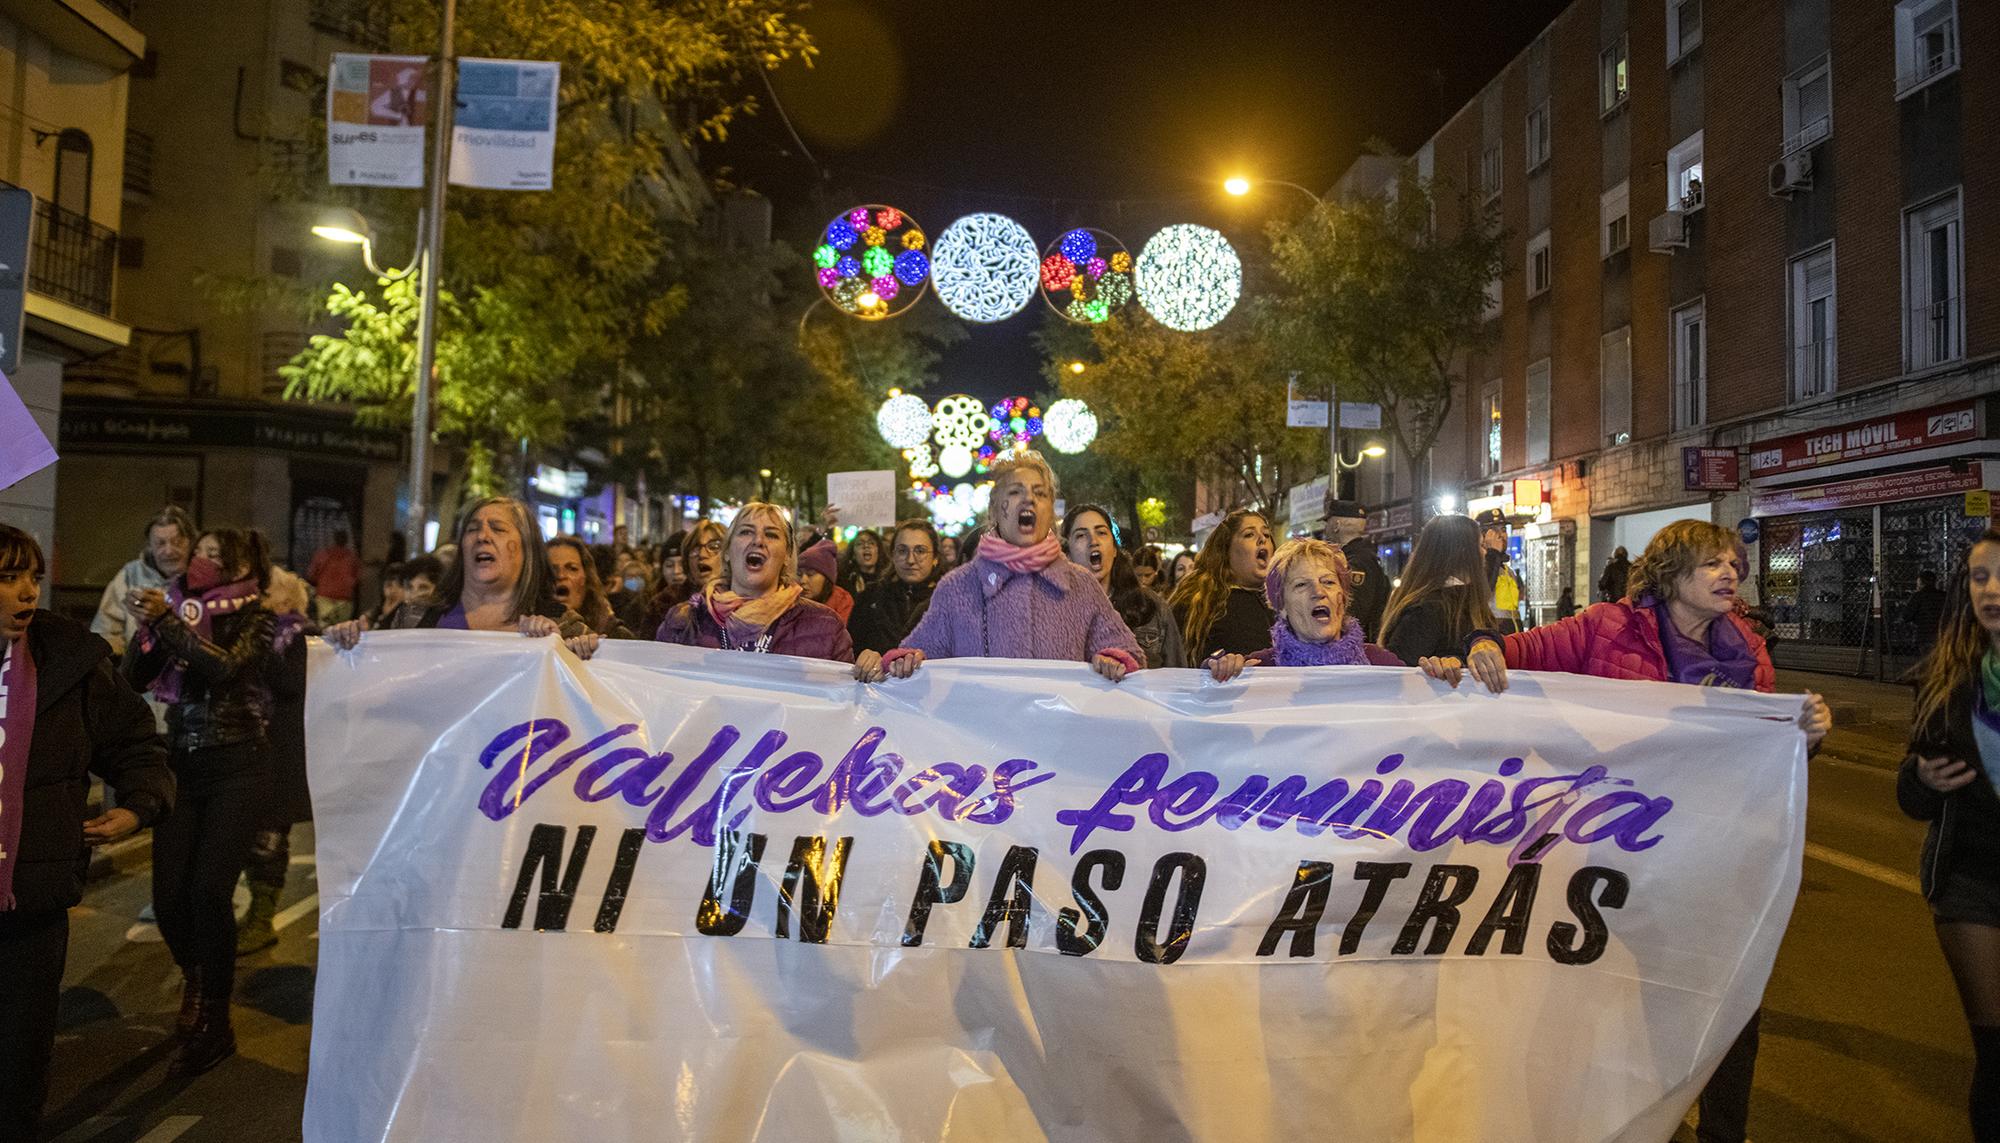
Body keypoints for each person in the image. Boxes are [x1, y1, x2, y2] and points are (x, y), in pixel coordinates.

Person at [1450, 519, 1831, 1143]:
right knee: (1619, 994)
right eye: (1712, 564)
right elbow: (1514, 650)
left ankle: (1722, 1132)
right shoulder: (1606, 627)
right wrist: (1481, 645)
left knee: (1729, 991)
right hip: (1619, 851)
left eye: (1733, 563)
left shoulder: (1749, 653)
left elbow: (1761, 757)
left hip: (1715, 850)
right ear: (1671, 573)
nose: (1730, 573)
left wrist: (1804, 739)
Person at [0, 525, 173, 1139]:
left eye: (33, 578)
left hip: (31, 897)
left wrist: (139, 804)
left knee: (17, 1066)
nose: (26, 593)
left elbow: (134, 743)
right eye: (7, 578)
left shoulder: (68, 660)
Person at [121, 526, 282, 1077]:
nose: (200, 562)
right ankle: (198, 973)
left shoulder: (259, 617)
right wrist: (148, 631)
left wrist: (169, 624)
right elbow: (132, 677)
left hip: (239, 764)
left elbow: (225, 668)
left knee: (209, 890)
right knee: (169, 896)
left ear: (240, 565)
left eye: (215, 555)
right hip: (183, 764)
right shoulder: (177, 610)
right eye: (199, 554)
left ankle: (216, 1018)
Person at [856, 453, 1140, 682]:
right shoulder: (957, 587)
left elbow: (1128, 652)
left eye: (1039, 493)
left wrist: (1114, 660)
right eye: (1015, 492)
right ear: (994, 510)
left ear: (1052, 512)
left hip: (1059, 746)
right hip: (980, 750)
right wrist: (903, 661)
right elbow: (918, 654)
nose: (1029, 499)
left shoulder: (1082, 586)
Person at [1898, 527, 2000, 1142]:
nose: (1992, 590)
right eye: (1980, 577)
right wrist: (1923, 777)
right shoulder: (1945, 679)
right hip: (1970, 884)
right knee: (1996, 1054)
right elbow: (1910, 799)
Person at [593, 502, 850, 663]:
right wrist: (590, 656)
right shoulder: (684, 622)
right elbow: (652, 689)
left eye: (771, 535)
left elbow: (847, 707)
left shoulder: (824, 627)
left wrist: (873, 670)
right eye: (746, 532)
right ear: (727, 552)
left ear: (786, 557)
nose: (757, 541)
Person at [323, 497, 585, 645]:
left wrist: (570, 652)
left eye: (497, 528)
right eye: (472, 529)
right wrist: (348, 645)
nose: (482, 536)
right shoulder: (414, 616)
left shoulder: (563, 624)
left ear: (528, 548)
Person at [235, 568, 316, 956]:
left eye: (266, 592)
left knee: (268, 841)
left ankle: (262, 919)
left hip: (281, 756)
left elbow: (291, 685)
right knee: (249, 836)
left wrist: (263, 647)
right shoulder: (261, 633)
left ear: (285, 601)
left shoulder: (300, 637)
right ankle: (254, 913)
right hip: (255, 749)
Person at [1204, 538, 1406, 679]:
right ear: (1281, 606)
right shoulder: (1259, 669)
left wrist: (1435, 679)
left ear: (1342, 599)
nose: (1318, 592)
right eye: (1301, 585)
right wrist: (1217, 672)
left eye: (1328, 582)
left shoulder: (1381, 665)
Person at [1064, 504, 1186, 669]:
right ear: (1068, 554)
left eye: (1101, 532)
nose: (1093, 541)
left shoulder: (1151, 606)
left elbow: (1178, 675)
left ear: (1114, 549)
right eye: (1081, 535)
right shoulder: (1055, 608)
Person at [1377, 514, 1501, 668]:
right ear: (1463, 552)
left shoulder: (1463, 603)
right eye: (1481, 545)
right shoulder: (1427, 610)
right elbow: (1397, 673)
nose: (1485, 553)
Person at [1168, 509, 1276, 663]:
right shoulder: (1198, 598)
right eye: (1249, 534)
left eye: (1266, 534)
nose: (1262, 539)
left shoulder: (1284, 602)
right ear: (1226, 550)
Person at [90, 505, 198, 657]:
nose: (169, 551)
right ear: (150, 546)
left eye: (177, 542)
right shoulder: (130, 575)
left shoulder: (203, 579)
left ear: (192, 542)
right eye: (160, 543)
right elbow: (106, 631)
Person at [848, 520, 943, 656]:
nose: (910, 560)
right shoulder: (869, 598)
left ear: (935, 558)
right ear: (893, 555)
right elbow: (852, 649)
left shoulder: (947, 601)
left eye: (920, 551)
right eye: (902, 551)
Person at [645, 521, 724, 635]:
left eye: (714, 547)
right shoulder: (663, 604)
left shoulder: (748, 601)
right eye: (694, 549)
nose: (702, 554)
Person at [1325, 498, 1389, 640]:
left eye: (1327, 523)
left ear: (1336, 525)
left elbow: (1353, 613)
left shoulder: (1356, 563)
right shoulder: (1364, 557)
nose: (1325, 529)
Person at [547, 535, 633, 638]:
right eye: (552, 570)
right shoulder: (529, 630)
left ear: (587, 578)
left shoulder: (615, 634)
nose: (561, 575)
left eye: (572, 568)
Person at [1478, 511, 1525, 634]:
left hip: (1512, 636)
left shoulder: (1508, 571)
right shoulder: (1478, 566)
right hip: (1491, 635)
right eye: (1493, 531)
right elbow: (1483, 593)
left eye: (1503, 530)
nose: (1501, 536)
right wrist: (1492, 553)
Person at [306, 528, 363, 624]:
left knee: (324, 628)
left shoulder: (322, 555)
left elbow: (311, 575)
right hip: (344, 599)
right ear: (346, 540)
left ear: (334, 539)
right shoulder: (352, 558)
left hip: (324, 597)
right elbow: (358, 577)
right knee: (342, 629)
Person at [798, 540, 855, 626]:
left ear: (827, 578)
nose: (803, 580)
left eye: (810, 574)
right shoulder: (789, 600)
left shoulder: (842, 602)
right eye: (799, 574)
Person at [1908, 569, 1949, 656]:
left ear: (1921, 582)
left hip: (1923, 635)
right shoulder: (1944, 596)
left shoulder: (1918, 596)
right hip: (1941, 633)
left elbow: (1906, 616)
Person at [839, 528, 888, 597]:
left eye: (871, 543)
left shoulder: (888, 581)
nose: (866, 546)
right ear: (853, 555)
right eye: (860, 544)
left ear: (878, 552)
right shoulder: (844, 581)